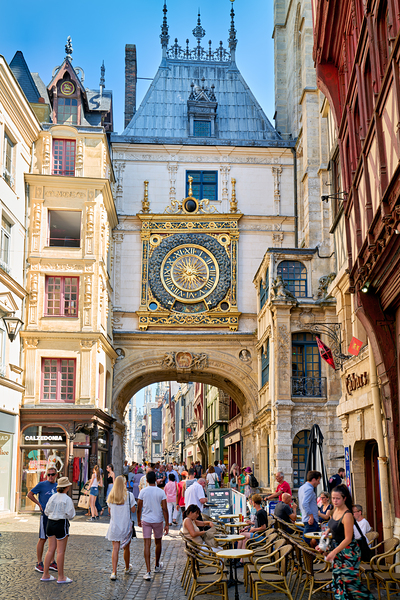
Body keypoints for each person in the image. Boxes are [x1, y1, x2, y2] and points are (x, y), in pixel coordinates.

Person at [317, 485, 374, 600]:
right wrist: (327, 531)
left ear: (344, 498)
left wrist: (333, 553)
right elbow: (333, 524)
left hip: (349, 553)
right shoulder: (335, 510)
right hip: (338, 550)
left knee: (351, 584)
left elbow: (348, 538)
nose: (335, 501)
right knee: (338, 581)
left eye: (337, 498)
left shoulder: (347, 515)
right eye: (333, 498)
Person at [40, 477, 75, 584]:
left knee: (50, 549)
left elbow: (46, 511)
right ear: (67, 487)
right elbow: (71, 515)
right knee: (60, 551)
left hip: (50, 523)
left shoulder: (52, 497)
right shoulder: (67, 499)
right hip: (61, 524)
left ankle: (45, 574)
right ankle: (61, 577)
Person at [137, 471, 169, 581]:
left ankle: (147, 571)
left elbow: (139, 508)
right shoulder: (161, 492)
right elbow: (165, 509)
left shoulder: (143, 492)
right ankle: (156, 565)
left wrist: (138, 520)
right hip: (158, 519)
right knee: (158, 542)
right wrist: (167, 524)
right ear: (156, 479)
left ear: (146, 481)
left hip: (146, 519)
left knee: (147, 544)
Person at [27, 467, 58, 573]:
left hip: (55, 516)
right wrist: (39, 504)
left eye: (52, 474)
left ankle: (51, 562)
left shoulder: (58, 486)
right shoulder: (41, 484)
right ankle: (39, 562)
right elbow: (29, 494)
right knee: (42, 538)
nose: (50, 476)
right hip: (45, 515)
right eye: (48, 474)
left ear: (56, 475)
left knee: (53, 539)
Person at [106, 475, 137, 580]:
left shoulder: (111, 496)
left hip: (115, 526)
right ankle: (127, 567)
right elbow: (133, 510)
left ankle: (114, 572)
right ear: (124, 484)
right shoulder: (129, 495)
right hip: (125, 526)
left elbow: (110, 511)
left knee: (115, 549)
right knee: (126, 548)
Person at [236, 494, 269, 560]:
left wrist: (253, 529)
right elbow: (260, 523)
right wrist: (251, 525)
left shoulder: (259, 513)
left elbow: (263, 527)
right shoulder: (261, 511)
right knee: (244, 539)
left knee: (241, 535)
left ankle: (237, 556)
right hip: (259, 534)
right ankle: (241, 560)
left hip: (260, 536)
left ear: (253, 502)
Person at [298, 470, 321, 548]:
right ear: (313, 479)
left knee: (321, 539)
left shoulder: (302, 488)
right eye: (318, 480)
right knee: (305, 541)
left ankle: (316, 557)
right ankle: (305, 557)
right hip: (311, 520)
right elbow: (305, 503)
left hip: (308, 518)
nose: (319, 483)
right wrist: (311, 516)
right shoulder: (309, 489)